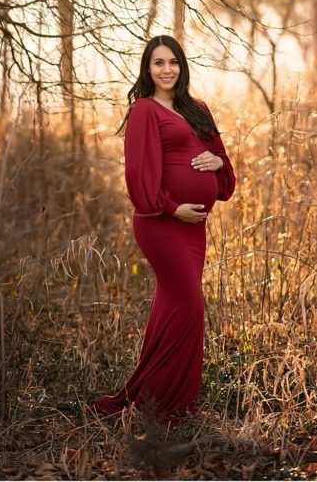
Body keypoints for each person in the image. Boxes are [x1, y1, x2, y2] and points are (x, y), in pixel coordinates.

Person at [89, 35, 236, 427]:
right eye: (158, 63)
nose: (166, 69)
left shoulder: (199, 109)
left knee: (172, 305)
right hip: (160, 224)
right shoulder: (144, 111)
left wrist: (217, 163)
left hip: (194, 228)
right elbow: (138, 175)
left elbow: (223, 162)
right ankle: (168, 403)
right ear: (148, 69)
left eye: (172, 62)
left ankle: (154, 397)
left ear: (182, 66)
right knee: (189, 305)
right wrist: (172, 208)